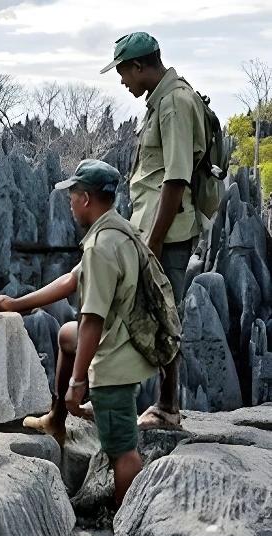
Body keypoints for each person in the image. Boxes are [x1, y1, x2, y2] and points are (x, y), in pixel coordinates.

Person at [0, 160, 157, 508]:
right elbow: (71, 281)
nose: (69, 202)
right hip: (122, 333)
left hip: (116, 354)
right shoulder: (118, 229)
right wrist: (17, 303)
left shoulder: (101, 247)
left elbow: (92, 319)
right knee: (65, 334)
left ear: (88, 199)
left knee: (123, 451)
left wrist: (79, 382)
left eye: (73, 195)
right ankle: (56, 421)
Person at [104, 31, 207, 430]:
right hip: (150, 229)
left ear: (141, 65)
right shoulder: (160, 101)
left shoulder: (175, 103)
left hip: (166, 233)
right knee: (145, 311)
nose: (122, 80)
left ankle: (167, 406)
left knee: (164, 315)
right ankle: (144, 400)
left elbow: (176, 178)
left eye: (123, 72)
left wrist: (154, 242)